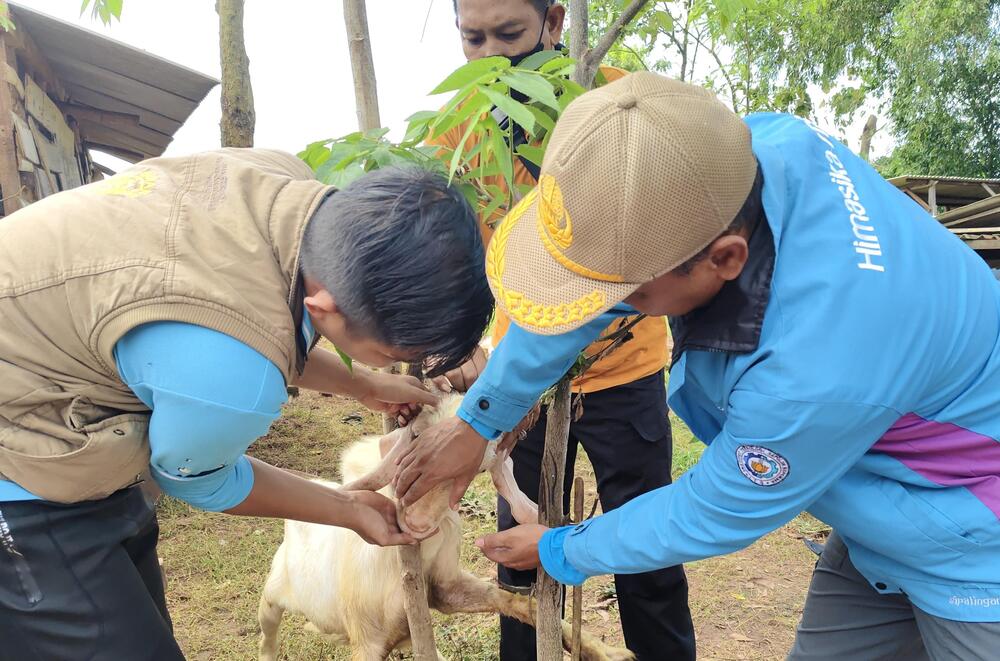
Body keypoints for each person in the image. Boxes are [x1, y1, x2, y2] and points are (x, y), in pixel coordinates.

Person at [396, 72, 1000, 659]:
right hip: (884, 517)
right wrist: (478, 421)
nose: (607, 307)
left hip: (975, 547)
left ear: (725, 259)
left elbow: (715, 506)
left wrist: (560, 549)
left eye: (627, 294)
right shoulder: (735, 157)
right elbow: (590, 293)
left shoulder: (813, 370)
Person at [0, 150, 493, 660]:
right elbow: (196, 476)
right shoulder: (234, 379)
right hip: (21, 464)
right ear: (325, 309)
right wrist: (346, 507)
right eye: (392, 355)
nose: (393, 365)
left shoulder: (284, 185)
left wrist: (363, 383)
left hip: (69, 393)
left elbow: (234, 319)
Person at [424, 2, 696, 659]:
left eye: (509, 34)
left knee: (647, 553)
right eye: (473, 38)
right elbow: (452, 254)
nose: (492, 56)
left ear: (553, 22)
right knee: (517, 552)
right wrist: (453, 345)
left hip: (623, 366)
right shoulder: (458, 131)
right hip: (520, 378)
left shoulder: (616, 101)